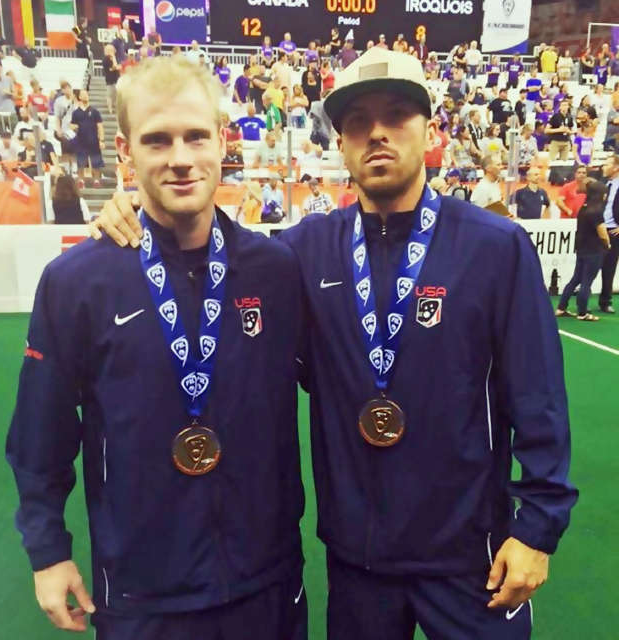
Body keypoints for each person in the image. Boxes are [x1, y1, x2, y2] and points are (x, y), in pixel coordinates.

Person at [96, 49, 579, 638]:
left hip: (471, 557)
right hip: (358, 562)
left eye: (397, 114)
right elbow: (209, 247)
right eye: (357, 121)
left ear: (430, 128)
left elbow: (539, 399)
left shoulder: (495, 247)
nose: (377, 132)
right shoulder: (301, 253)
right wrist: (132, 210)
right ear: (341, 143)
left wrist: (537, 529)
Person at [7, 55, 306, 640]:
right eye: (157, 140)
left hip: (264, 582)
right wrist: (48, 552)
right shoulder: (77, 282)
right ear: (125, 150)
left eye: (196, 136)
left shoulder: (276, 270)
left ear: (223, 142)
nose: (179, 158)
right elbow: (39, 436)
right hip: (143, 594)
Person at [556, 179, 611, 320]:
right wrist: (607, 244)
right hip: (594, 249)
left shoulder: (584, 208)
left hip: (581, 248)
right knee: (587, 281)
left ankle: (562, 307)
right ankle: (582, 312)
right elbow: (602, 232)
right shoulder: (597, 211)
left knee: (576, 278)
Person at [70, 89, 104, 188]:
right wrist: (72, 127)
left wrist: (101, 140)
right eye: (83, 94)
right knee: (81, 162)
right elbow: (72, 125)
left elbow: (100, 126)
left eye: (87, 94)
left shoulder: (95, 111)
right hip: (81, 141)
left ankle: (97, 180)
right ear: (79, 97)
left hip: (94, 140)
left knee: (96, 162)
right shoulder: (76, 113)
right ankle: (81, 180)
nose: (86, 96)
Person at [598, 154, 619, 313]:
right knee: (587, 265)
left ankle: (605, 300)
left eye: (607, 164)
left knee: (609, 268)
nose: (603, 167)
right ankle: (581, 298)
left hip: (613, 231)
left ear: (616, 167)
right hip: (598, 229)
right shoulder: (604, 184)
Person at [102, 44, 120, 115]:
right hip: (110, 80)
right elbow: (114, 67)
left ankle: (115, 108)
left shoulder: (113, 58)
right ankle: (110, 109)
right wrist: (114, 58)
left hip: (116, 79)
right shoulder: (106, 59)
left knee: (116, 95)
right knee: (110, 95)